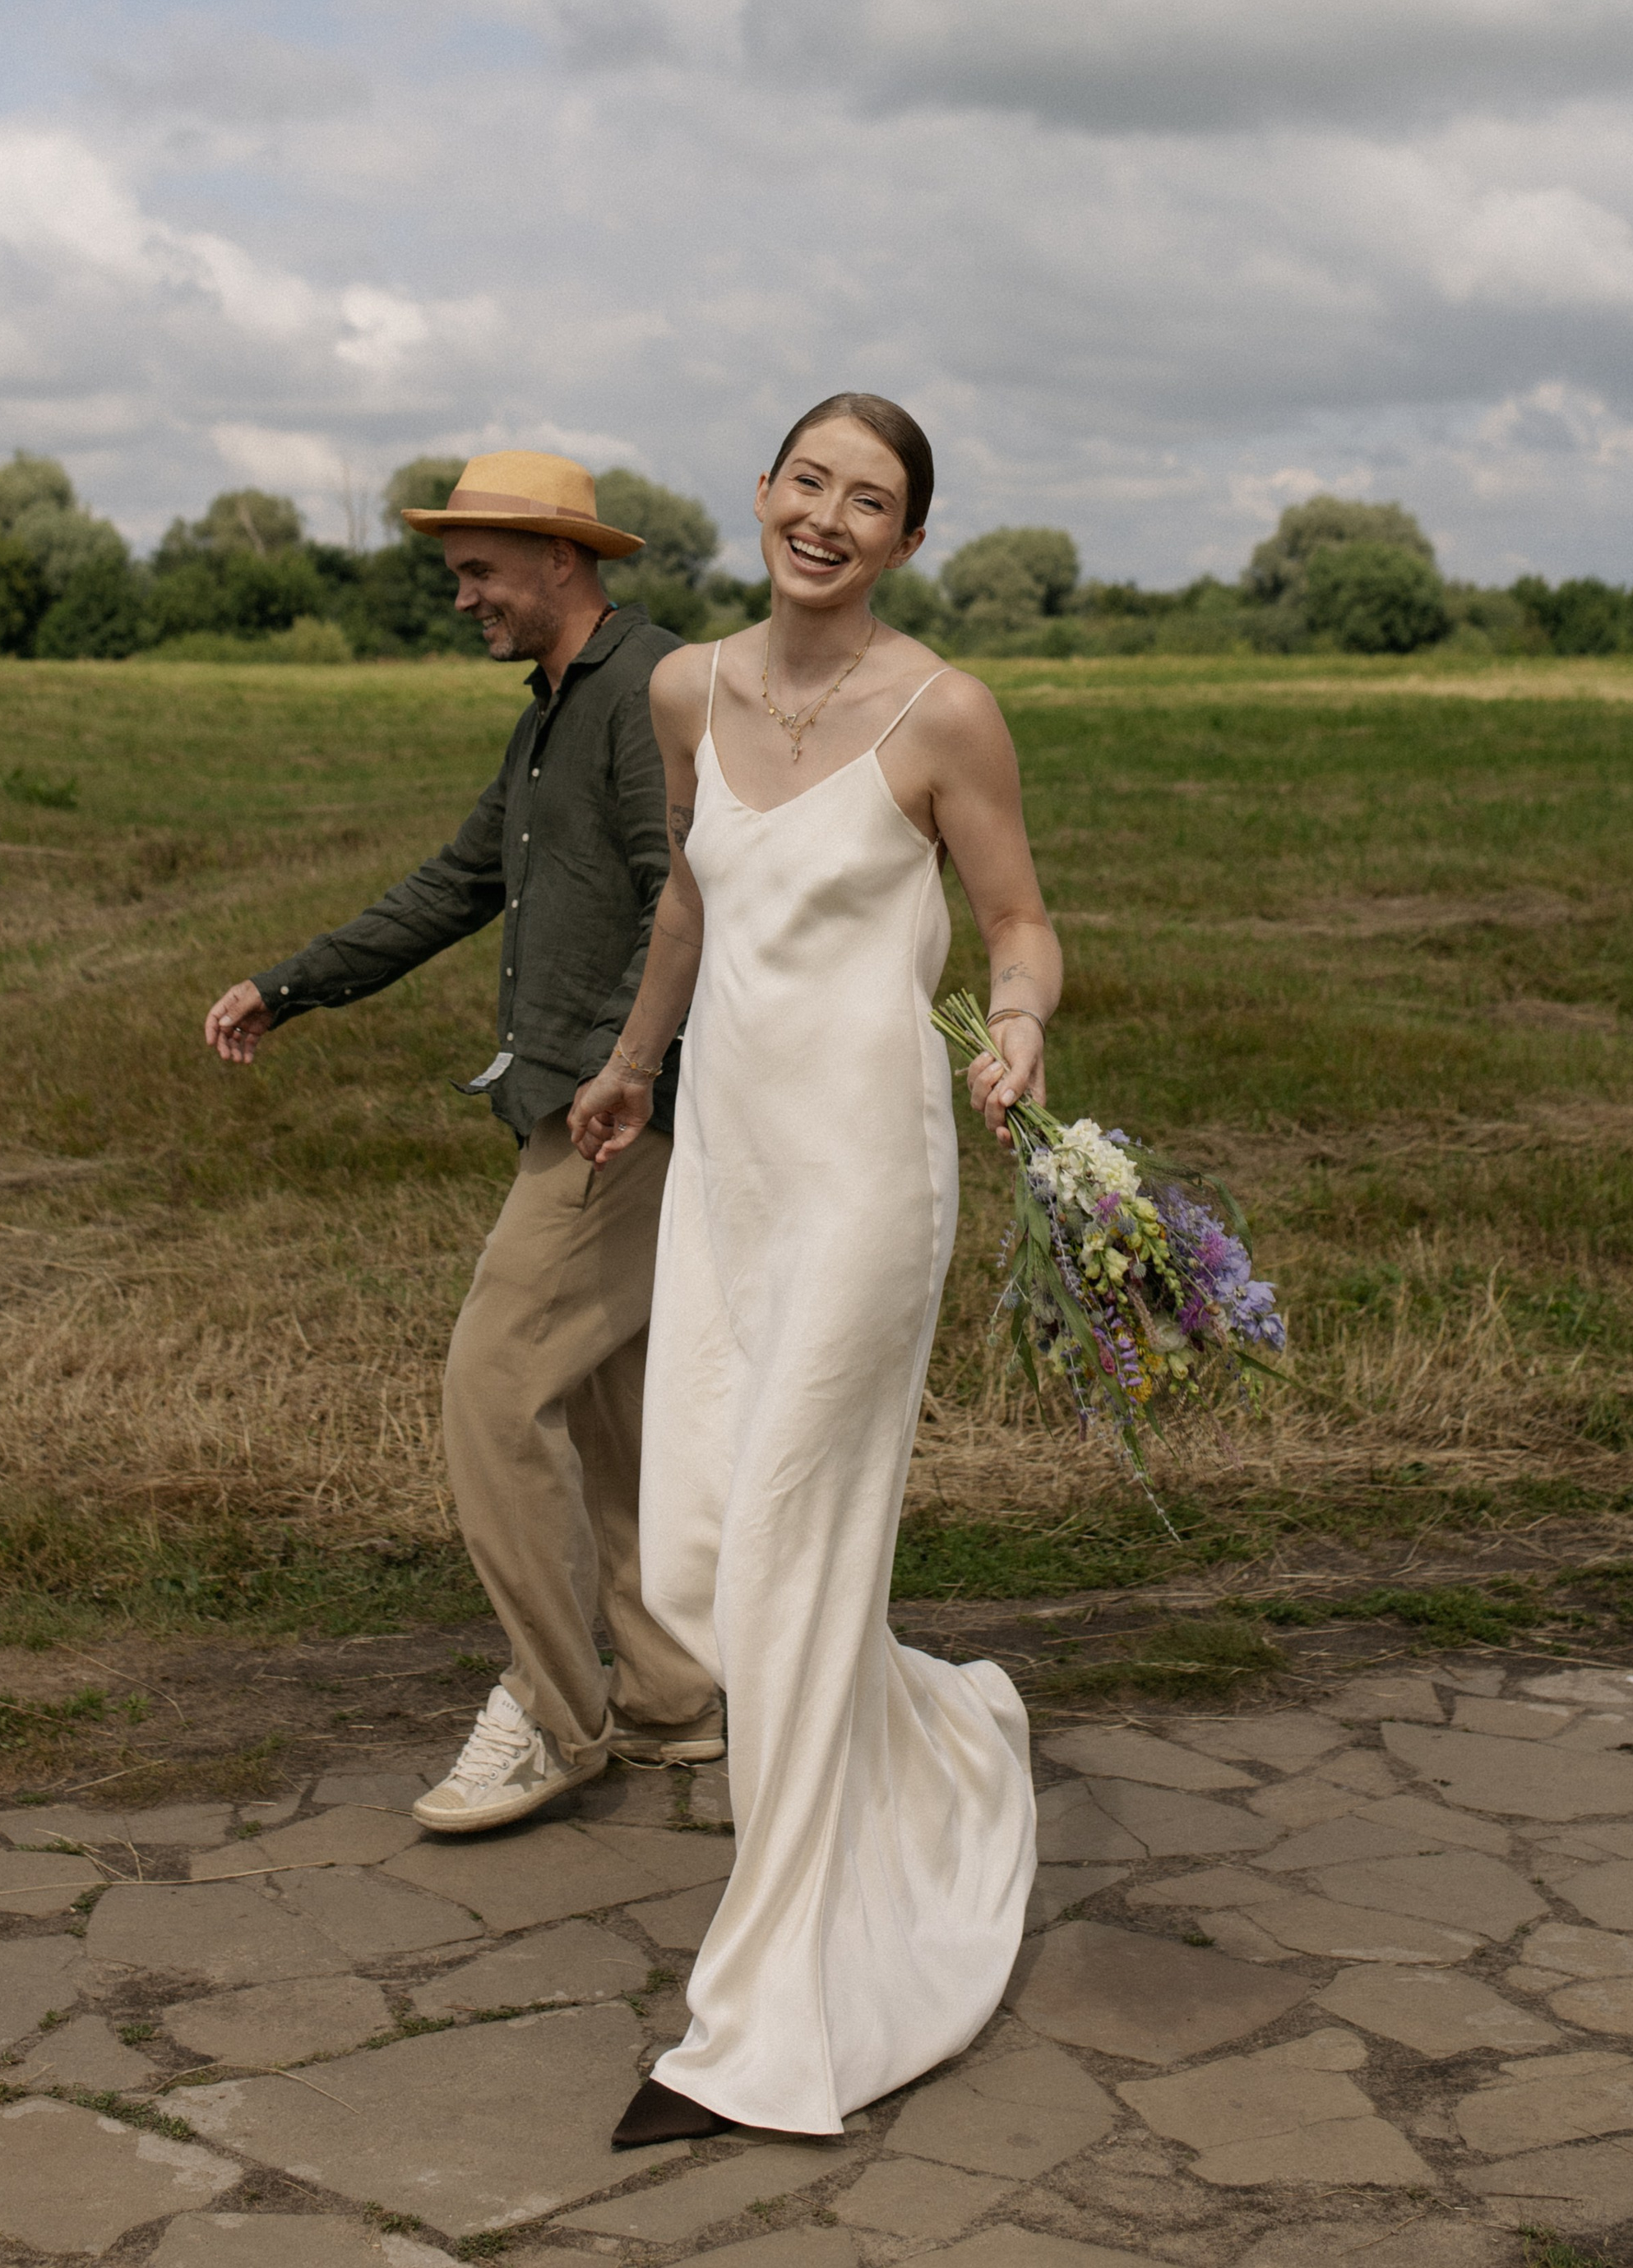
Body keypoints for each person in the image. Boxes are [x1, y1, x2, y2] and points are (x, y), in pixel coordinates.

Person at [568, 394, 1062, 2146]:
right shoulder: (683, 689)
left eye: (869, 500)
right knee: (707, 1565)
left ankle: (759, 2026)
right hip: (730, 1169)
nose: (828, 518)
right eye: (807, 482)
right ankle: (955, 1740)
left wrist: (1016, 1023)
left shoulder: (944, 714)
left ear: (906, 540)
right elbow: (692, 903)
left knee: (779, 1562)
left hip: (864, 1180)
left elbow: (1015, 919)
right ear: (764, 493)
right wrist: (634, 1064)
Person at [204, 448, 724, 1836]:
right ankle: (677, 1696)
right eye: (455, 574)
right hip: (584, 1097)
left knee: (494, 1385)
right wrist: (290, 984)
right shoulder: (552, 709)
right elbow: (459, 880)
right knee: (604, 1412)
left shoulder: (646, 691)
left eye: (479, 571)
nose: (462, 597)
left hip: (624, 1116)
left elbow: (686, 896)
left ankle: (557, 1714)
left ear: (562, 558)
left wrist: (622, 1070)